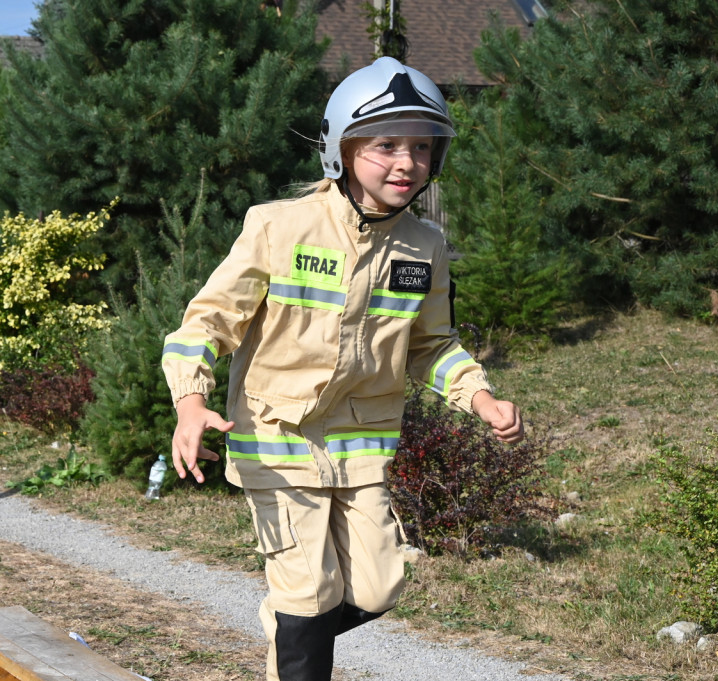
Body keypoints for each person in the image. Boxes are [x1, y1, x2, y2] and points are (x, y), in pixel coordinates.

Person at [161, 56, 524, 681]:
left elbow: (432, 345)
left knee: (379, 588)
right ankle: (295, 630)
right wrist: (190, 402)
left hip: (360, 449)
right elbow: (206, 323)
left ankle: (290, 625)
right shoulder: (280, 227)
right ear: (343, 148)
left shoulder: (425, 245)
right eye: (386, 145)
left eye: (420, 146)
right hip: (278, 442)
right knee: (308, 592)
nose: (406, 162)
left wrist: (481, 397)